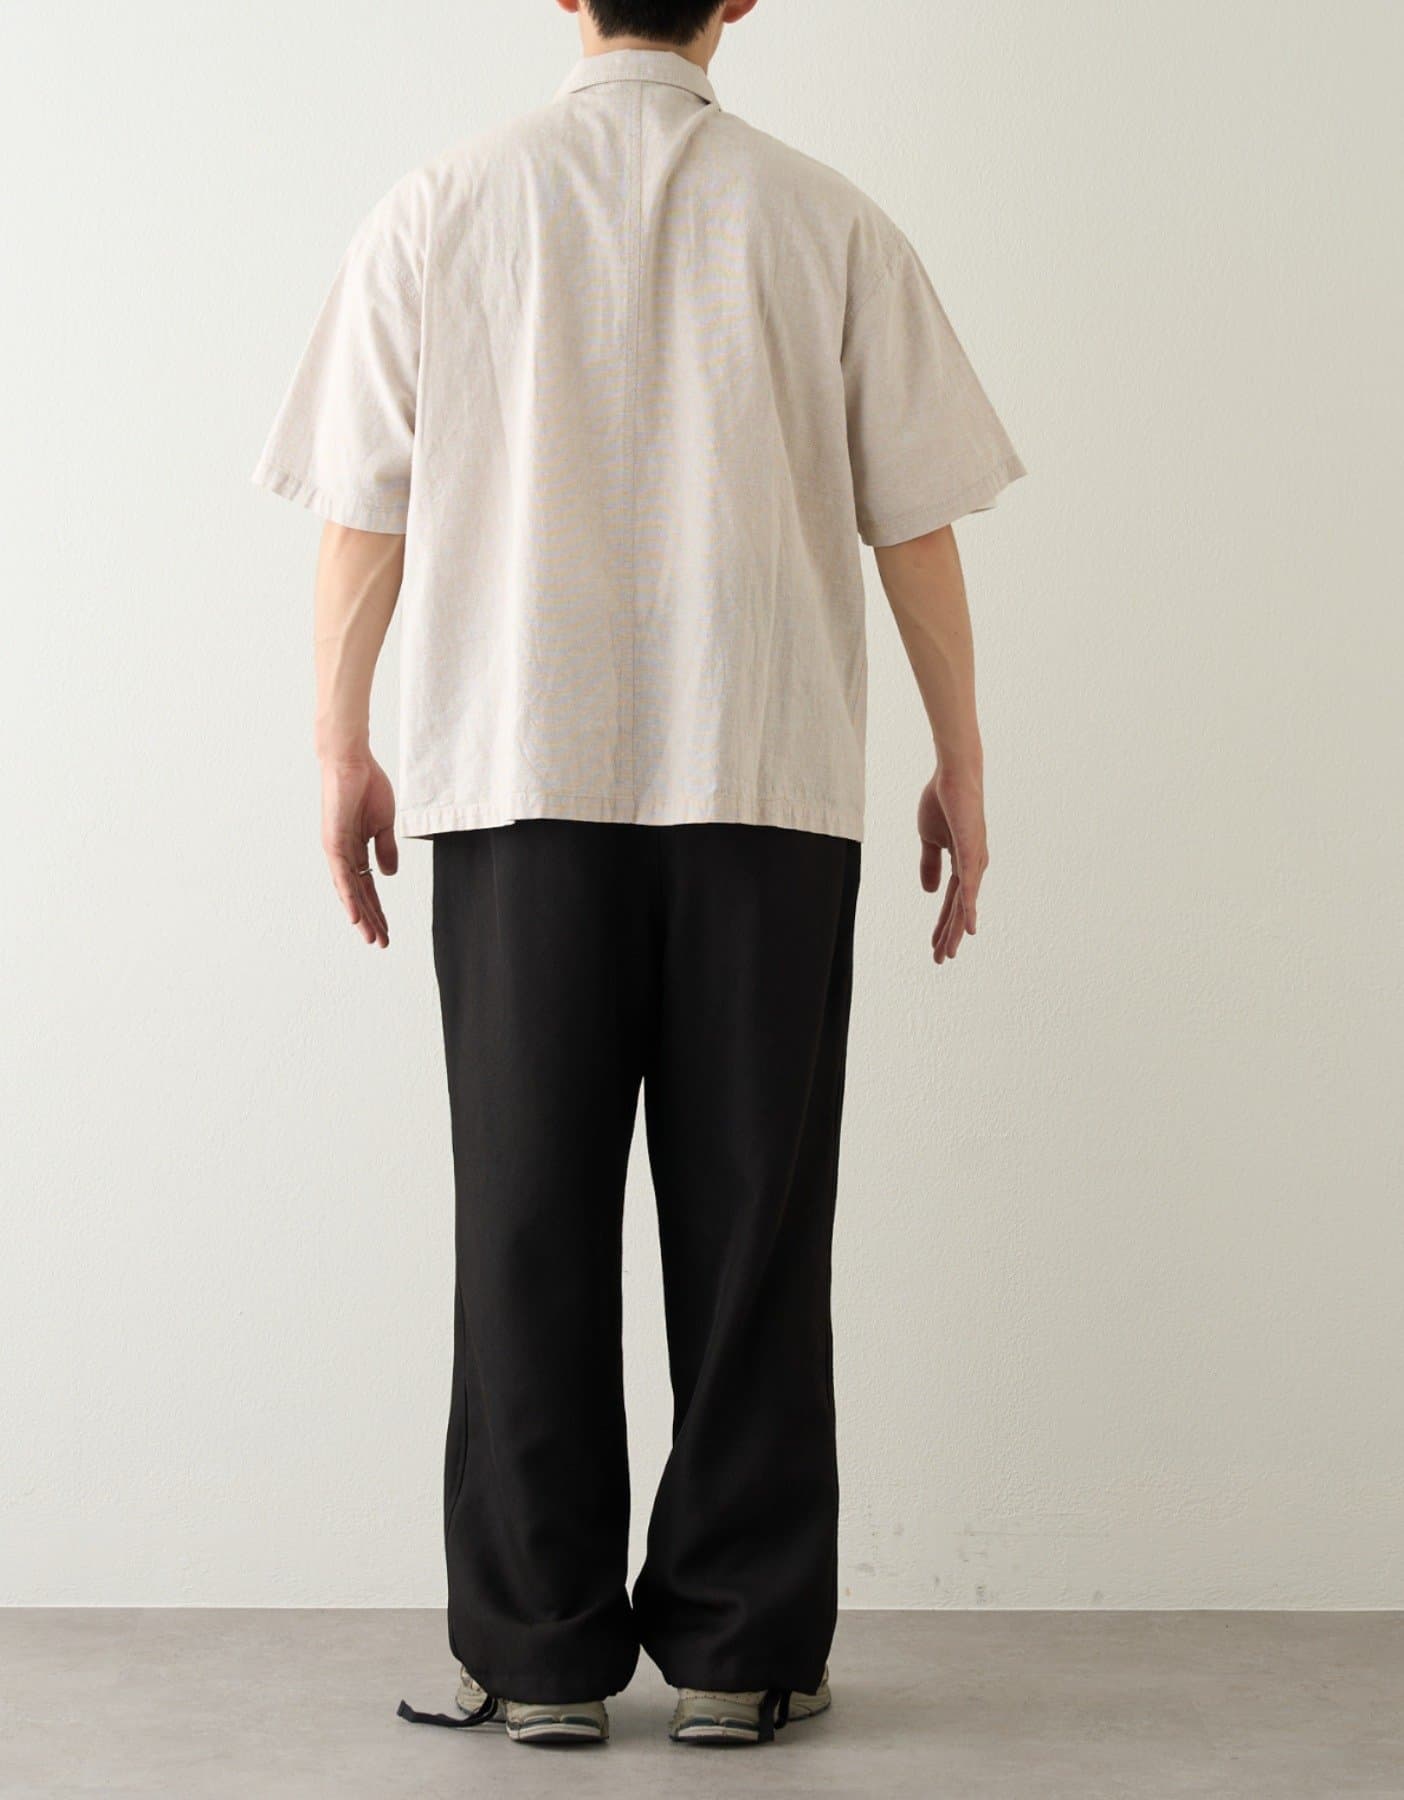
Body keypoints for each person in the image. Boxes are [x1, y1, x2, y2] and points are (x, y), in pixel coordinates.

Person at [252, 0, 1023, 1752]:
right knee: (757, 1232)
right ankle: (742, 1651)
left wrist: (339, 745)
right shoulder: (829, 221)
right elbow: (916, 522)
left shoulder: (440, 208)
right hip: (766, 781)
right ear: (737, 0)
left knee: (524, 1219)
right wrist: (961, 758)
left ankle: (536, 1654)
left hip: (518, 781)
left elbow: (364, 515)